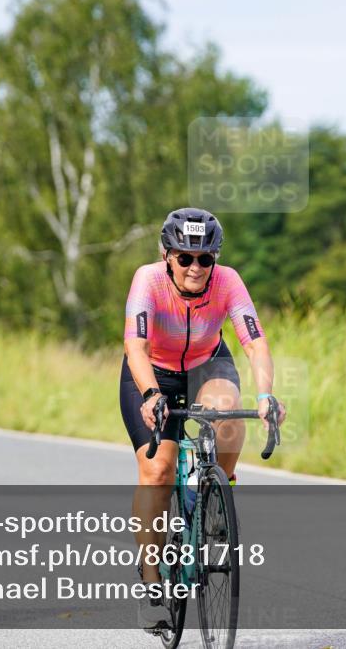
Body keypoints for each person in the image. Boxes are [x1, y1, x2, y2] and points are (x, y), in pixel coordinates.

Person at [120, 207, 286, 629]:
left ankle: (214, 495)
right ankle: (152, 581)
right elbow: (135, 346)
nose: (195, 268)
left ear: (215, 258)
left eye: (205, 259)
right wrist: (151, 393)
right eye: (185, 257)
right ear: (167, 255)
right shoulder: (149, 280)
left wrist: (266, 395)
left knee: (228, 412)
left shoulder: (228, 281)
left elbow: (255, 342)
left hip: (205, 364)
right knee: (157, 470)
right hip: (153, 371)